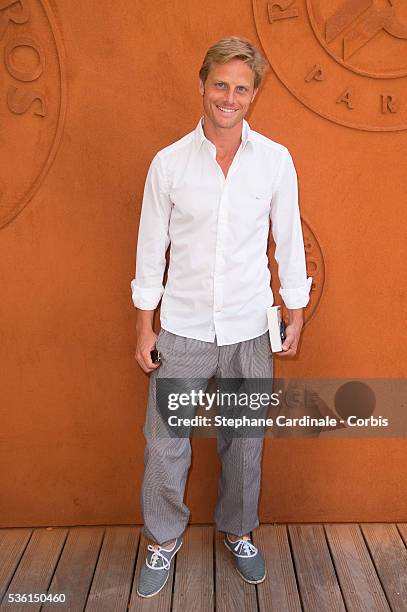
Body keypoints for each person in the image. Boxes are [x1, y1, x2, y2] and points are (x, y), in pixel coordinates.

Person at [131, 36, 312, 598]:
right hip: (181, 329)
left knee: (244, 440)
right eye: (220, 85)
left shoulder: (276, 161)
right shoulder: (168, 164)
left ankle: (237, 531)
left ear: (253, 95)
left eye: (241, 88)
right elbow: (149, 248)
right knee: (165, 440)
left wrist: (295, 310)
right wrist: (145, 324)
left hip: (250, 328)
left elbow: (288, 239)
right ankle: (162, 540)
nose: (229, 98)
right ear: (202, 85)